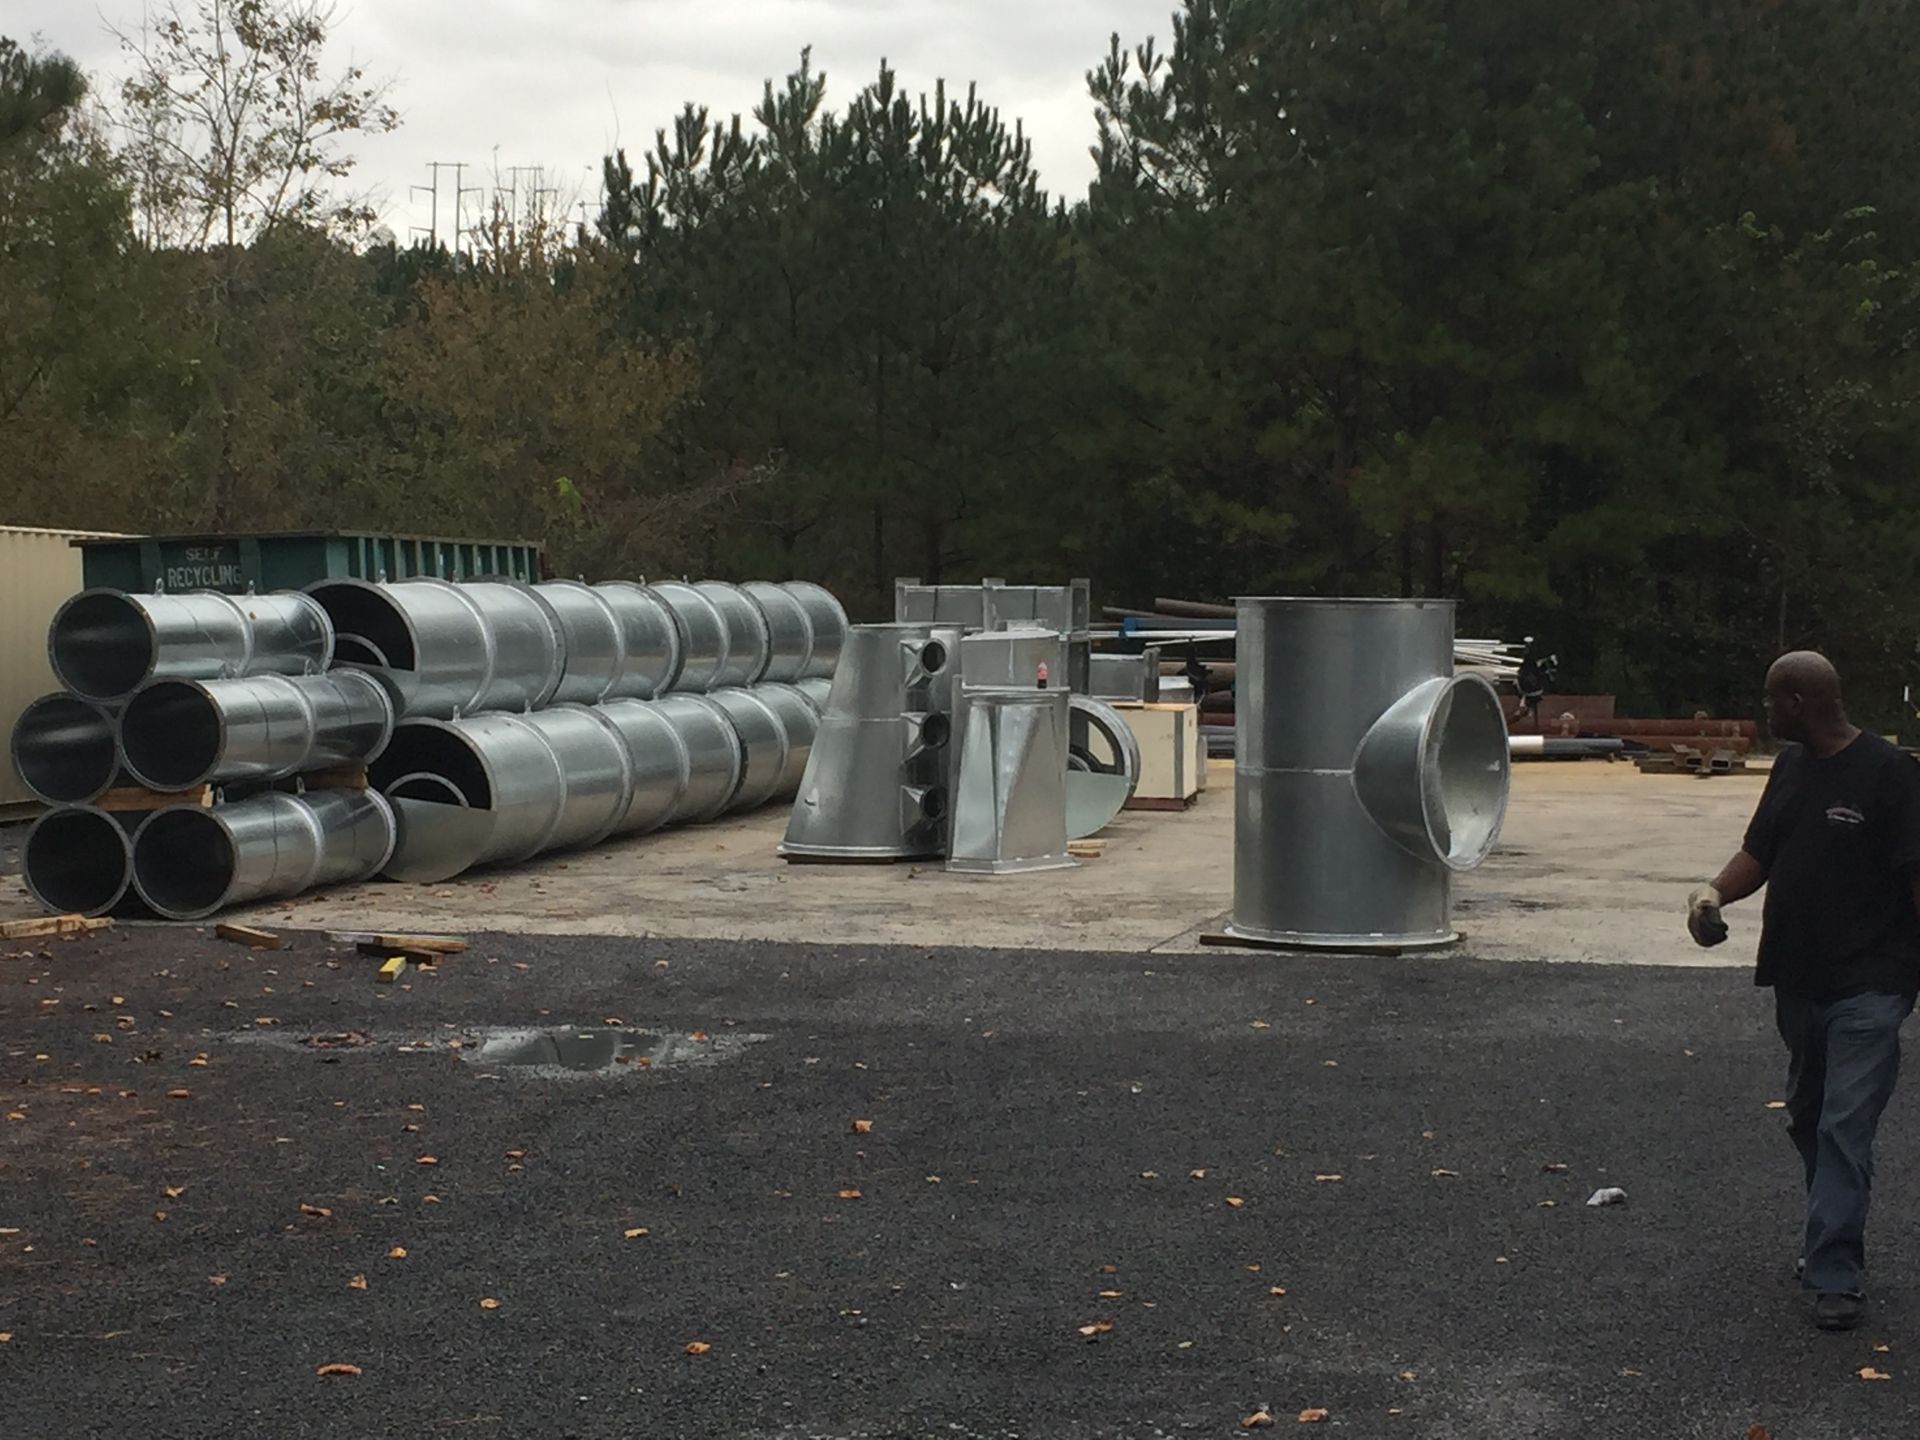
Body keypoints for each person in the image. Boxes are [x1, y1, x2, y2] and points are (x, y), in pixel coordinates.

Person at [1686, 651, 1920, 1331]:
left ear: (1798, 702)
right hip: (1799, 977)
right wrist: (1713, 892)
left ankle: (1835, 1271)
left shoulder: (1890, 776)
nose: (1764, 712)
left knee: (1846, 1124)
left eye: (1770, 701)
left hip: (1871, 983)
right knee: (1809, 1113)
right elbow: (1760, 850)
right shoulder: (1790, 769)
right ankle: (1830, 1232)